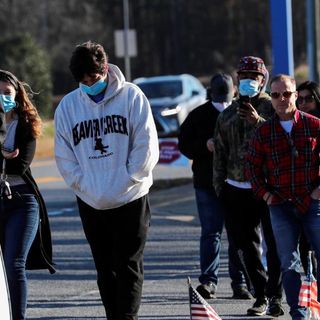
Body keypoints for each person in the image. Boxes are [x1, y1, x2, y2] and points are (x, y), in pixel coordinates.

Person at [54, 41, 159, 320]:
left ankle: (126, 317)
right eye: (83, 81)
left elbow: (146, 145)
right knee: (105, 268)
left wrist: (129, 178)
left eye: (94, 78)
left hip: (130, 196)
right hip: (91, 199)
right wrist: (84, 184)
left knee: (129, 265)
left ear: (105, 70)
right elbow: (64, 156)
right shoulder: (68, 107)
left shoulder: (132, 97)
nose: (89, 84)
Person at [213, 56, 283, 317]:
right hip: (235, 187)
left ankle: (275, 296)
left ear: (263, 80)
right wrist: (219, 188)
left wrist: (257, 122)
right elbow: (219, 152)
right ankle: (261, 293)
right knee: (243, 246)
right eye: (244, 77)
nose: (248, 81)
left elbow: (279, 141)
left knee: (275, 245)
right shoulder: (228, 113)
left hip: (267, 188)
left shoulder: (271, 109)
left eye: (254, 77)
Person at [246, 73, 320, 320]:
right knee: (288, 262)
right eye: (275, 94)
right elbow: (252, 169)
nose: (280, 99)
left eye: (286, 93)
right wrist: (266, 195)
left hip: (312, 202)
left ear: (296, 96)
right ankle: (298, 312)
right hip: (280, 205)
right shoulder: (263, 132)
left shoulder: (313, 125)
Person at [178, 73, 251, 300]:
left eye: (227, 98)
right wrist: (204, 145)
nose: (224, 103)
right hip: (207, 183)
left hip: (236, 183)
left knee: (237, 234)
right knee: (211, 233)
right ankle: (209, 281)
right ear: (211, 94)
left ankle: (240, 282)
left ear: (235, 94)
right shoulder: (198, 115)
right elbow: (184, 144)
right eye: (220, 98)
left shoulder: (241, 113)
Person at [0, 70, 55, 320]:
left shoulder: (26, 123)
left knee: (14, 264)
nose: (3, 98)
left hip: (22, 201)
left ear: (16, 94)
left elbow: (19, 164)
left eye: (7, 93)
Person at [296, 80, 320, 277]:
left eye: (308, 99)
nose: (303, 103)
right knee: (304, 246)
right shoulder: (295, 125)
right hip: (301, 195)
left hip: (317, 192)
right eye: (299, 99)